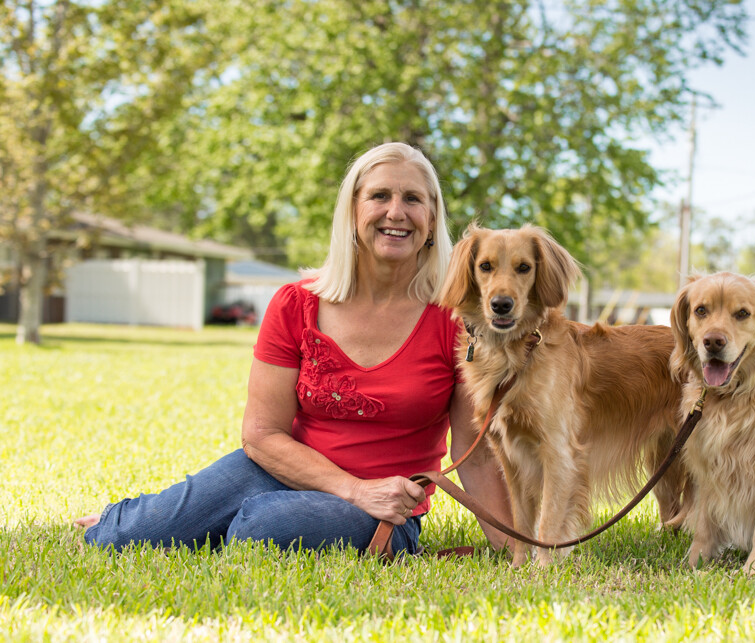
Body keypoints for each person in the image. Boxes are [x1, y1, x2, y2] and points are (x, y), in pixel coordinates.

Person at [75, 142, 512, 556]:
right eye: (379, 195)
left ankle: (218, 524)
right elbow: (261, 435)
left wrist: (514, 545)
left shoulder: (457, 320)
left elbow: (472, 452)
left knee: (262, 529)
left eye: (413, 199)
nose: (395, 212)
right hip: (280, 473)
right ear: (353, 211)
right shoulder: (295, 302)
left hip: (383, 511)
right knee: (121, 539)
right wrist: (352, 487)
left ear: (433, 219)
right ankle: (141, 519)